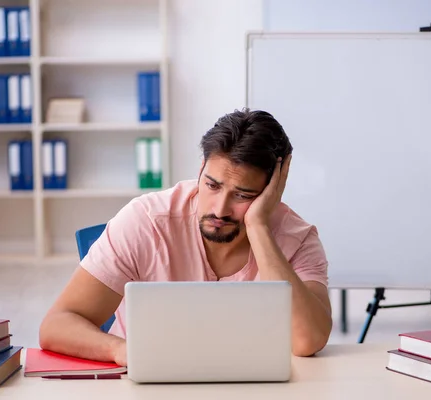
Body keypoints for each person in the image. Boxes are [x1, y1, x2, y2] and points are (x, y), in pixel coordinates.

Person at [39, 108, 332, 365]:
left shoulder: (298, 239)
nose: (220, 209)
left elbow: (307, 342)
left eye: (243, 195)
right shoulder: (146, 220)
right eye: (212, 185)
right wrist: (124, 351)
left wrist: (258, 228)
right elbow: (57, 325)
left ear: (273, 190)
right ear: (201, 168)